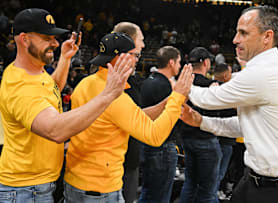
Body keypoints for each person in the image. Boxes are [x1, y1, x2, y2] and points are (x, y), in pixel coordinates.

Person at [182, 5, 278, 203]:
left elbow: (209, 99)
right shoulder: (268, 69)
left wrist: (177, 85)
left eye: (243, 33)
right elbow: (244, 125)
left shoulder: (264, 72)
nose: (235, 39)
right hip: (257, 183)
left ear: (267, 37)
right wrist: (202, 121)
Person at [0, 8, 134, 202]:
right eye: (47, 38)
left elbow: (51, 89)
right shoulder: (20, 85)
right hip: (25, 191)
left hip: (33, 186)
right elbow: (56, 131)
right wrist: (107, 95)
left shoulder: (32, 71)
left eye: (54, 38)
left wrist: (65, 58)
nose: (54, 43)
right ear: (24, 39)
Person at [63, 32, 193, 202]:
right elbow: (154, 136)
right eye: (135, 55)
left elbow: (127, 118)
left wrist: (166, 103)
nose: (137, 59)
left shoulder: (86, 84)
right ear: (120, 57)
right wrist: (178, 98)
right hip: (100, 188)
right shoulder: (116, 98)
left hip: (75, 180)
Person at [113, 21, 167, 203]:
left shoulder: (128, 77)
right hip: (119, 162)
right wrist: (168, 104)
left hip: (128, 157)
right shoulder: (116, 80)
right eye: (141, 40)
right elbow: (135, 117)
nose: (143, 45)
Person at [138, 46, 182, 203]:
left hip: (147, 143)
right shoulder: (165, 86)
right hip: (162, 145)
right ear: (171, 62)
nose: (179, 66)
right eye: (178, 62)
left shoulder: (148, 80)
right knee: (160, 196)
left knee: (148, 193)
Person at [179, 47, 222, 203]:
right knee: (208, 189)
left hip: (187, 138)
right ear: (206, 62)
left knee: (190, 183)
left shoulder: (183, 83)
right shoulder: (211, 85)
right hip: (205, 138)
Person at [212, 63, 237, 199]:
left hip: (211, 134)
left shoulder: (210, 87)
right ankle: (213, 195)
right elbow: (237, 107)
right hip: (225, 137)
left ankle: (215, 192)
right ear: (226, 74)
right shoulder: (229, 90)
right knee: (218, 172)